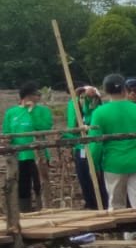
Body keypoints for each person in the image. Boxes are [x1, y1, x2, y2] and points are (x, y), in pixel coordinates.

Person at [87, 74, 136, 214]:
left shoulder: (99, 113)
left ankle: (126, 235)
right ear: (125, 89)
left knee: (117, 207)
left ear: (106, 91)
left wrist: (94, 164)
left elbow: (95, 144)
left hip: (113, 164)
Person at [3, 83, 53, 212]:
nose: (39, 97)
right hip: (19, 156)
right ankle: (24, 211)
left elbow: (44, 127)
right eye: (37, 95)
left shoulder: (43, 111)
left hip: (38, 155)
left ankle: (43, 209)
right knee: (22, 186)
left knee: (40, 184)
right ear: (28, 96)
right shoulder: (11, 113)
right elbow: (6, 132)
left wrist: (31, 112)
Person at [64, 85, 107, 209]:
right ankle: (92, 204)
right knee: (85, 178)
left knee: (99, 178)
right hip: (81, 147)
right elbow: (72, 126)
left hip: (97, 149)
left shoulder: (98, 108)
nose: (84, 99)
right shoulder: (74, 104)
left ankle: (101, 204)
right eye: (82, 96)